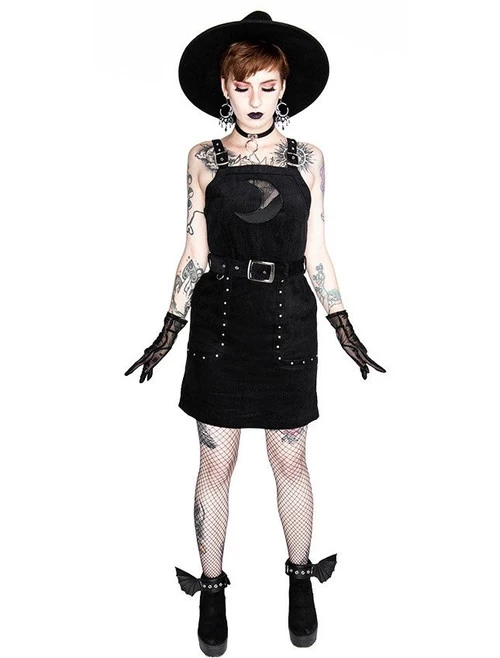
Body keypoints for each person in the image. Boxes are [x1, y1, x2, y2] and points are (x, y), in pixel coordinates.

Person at [124, 10, 386, 656]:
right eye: (242, 87)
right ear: (224, 88)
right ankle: (212, 590)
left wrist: (344, 325)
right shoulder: (203, 157)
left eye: (267, 86)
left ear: (283, 88)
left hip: (287, 320)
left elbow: (317, 247)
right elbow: (194, 248)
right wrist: (167, 329)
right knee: (216, 461)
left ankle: (300, 581)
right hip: (219, 321)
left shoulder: (308, 158)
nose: (255, 99)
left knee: (290, 458)